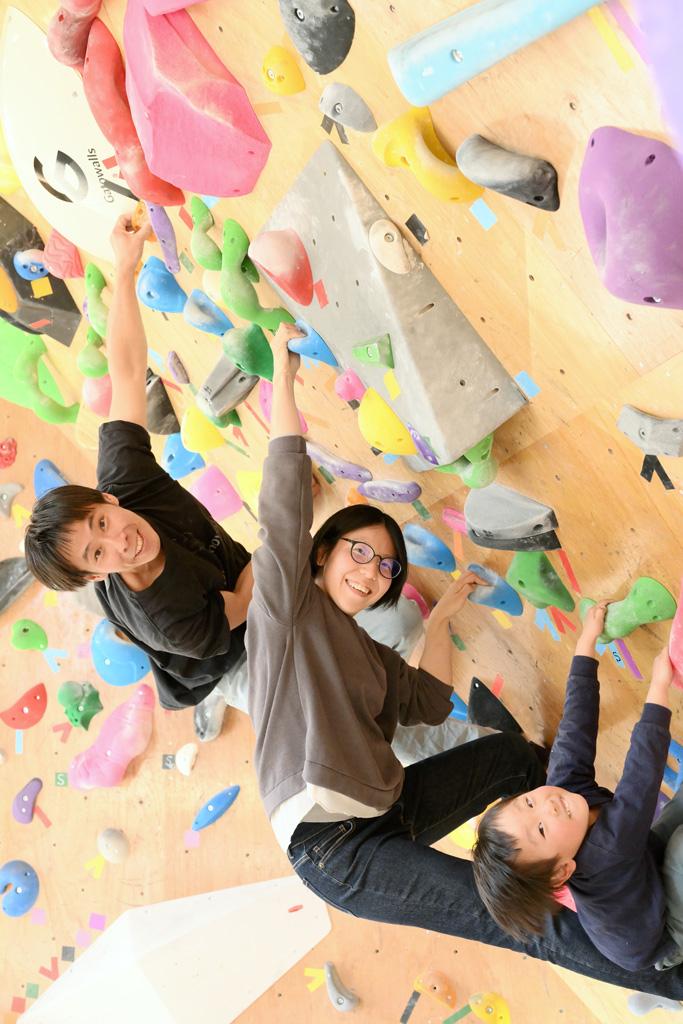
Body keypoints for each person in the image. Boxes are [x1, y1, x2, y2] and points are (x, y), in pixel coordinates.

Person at [244, 321, 683, 999]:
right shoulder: (283, 611)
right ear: (321, 553)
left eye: (387, 565)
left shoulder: (365, 650)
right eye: (357, 551)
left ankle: (570, 837)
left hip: (382, 804)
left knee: (512, 759)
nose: (372, 571)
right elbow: (279, 501)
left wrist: (445, 611)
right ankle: (662, 969)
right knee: (505, 916)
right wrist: (280, 365)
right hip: (335, 851)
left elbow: (424, 696)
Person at [22, 213, 494, 757]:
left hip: (229, 584)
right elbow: (251, 600)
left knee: (398, 621)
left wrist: (125, 272)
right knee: (356, 706)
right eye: (98, 554)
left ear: (106, 498)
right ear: (95, 576)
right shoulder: (170, 618)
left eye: (102, 523)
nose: (120, 541)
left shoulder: (124, 478)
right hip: (232, 655)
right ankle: (500, 761)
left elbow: (126, 371)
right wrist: (281, 550)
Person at [472, 602, 683, 973]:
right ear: (561, 872)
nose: (547, 806)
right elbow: (642, 775)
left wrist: (587, 643)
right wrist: (659, 686)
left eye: (527, 803)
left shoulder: (561, 791)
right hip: (663, 937)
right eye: (540, 829)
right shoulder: (606, 852)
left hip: (642, 868)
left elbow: (575, 725)